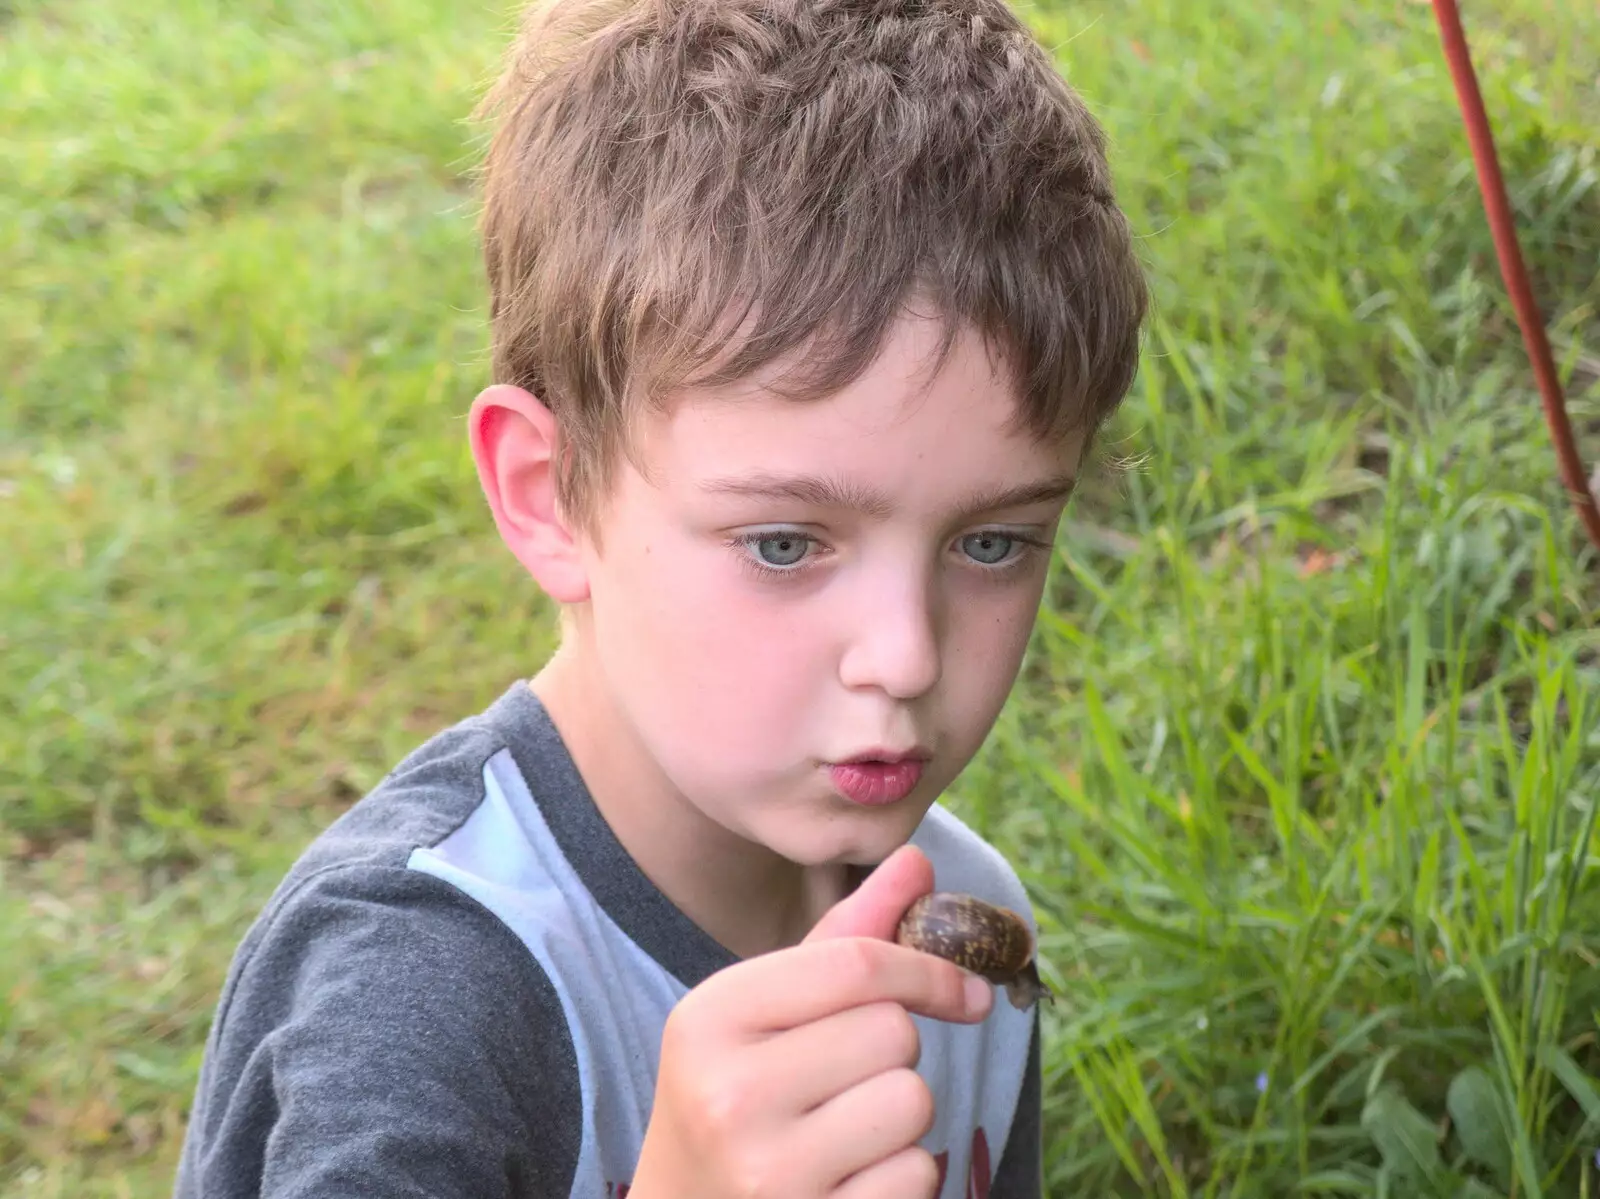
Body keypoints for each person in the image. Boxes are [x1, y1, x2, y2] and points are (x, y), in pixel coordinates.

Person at [172, 0, 1148, 1194]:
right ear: (548, 494)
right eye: (786, 543)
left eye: (992, 543)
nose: (903, 654)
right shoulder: (419, 995)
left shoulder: (963, 922)